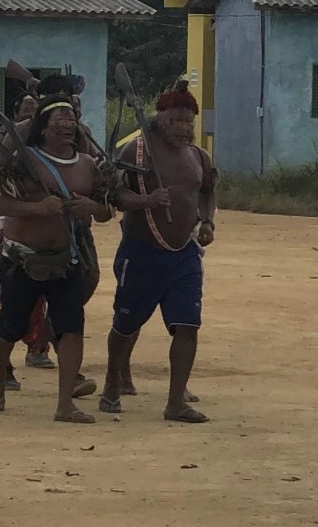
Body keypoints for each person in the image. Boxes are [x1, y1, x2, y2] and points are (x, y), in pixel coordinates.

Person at [0, 95, 111, 423]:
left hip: (65, 260)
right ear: (43, 127)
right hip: (22, 260)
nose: (68, 124)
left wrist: (93, 208)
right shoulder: (22, 161)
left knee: (72, 329)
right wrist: (37, 209)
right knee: (9, 330)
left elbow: (107, 208)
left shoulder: (87, 165)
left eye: (72, 118)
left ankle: (65, 403)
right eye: (60, 118)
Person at [100, 84, 218, 423]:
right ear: (160, 119)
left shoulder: (198, 156)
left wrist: (207, 221)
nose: (184, 128)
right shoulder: (135, 153)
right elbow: (115, 195)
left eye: (188, 121)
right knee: (125, 324)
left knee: (187, 325)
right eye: (176, 120)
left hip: (184, 256)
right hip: (141, 252)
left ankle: (175, 402)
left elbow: (208, 191)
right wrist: (146, 201)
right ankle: (112, 383)